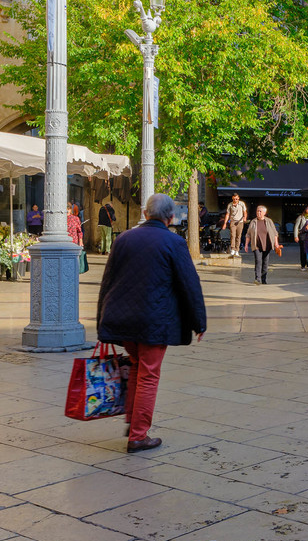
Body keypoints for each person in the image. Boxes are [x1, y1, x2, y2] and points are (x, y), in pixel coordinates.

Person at [95, 192, 207, 451]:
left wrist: (103, 319)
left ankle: (133, 420)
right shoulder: (173, 242)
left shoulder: (123, 239)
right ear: (170, 218)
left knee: (136, 367)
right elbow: (190, 285)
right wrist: (199, 322)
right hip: (154, 321)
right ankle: (138, 434)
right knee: (148, 374)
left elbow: (107, 281)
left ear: (145, 214)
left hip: (123, 318)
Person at [245, 201, 280, 283]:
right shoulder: (253, 222)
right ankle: (257, 278)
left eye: (260, 211)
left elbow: (275, 233)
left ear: (264, 213)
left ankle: (264, 279)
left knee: (265, 262)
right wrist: (246, 244)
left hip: (267, 245)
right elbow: (248, 234)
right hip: (256, 245)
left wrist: (276, 243)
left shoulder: (269, 221)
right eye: (257, 211)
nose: (258, 213)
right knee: (258, 261)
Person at [224, 193, 248, 259]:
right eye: (234, 199)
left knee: (238, 236)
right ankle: (232, 248)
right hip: (233, 221)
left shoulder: (242, 204)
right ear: (232, 198)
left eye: (236, 199)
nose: (235, 200)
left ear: (238, 198)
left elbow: (245, 211)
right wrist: (225, 223)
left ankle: (237, 250)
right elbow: (227, 214)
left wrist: (245, 217)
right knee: (233, 235)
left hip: (240, 221)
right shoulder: (230, 205)